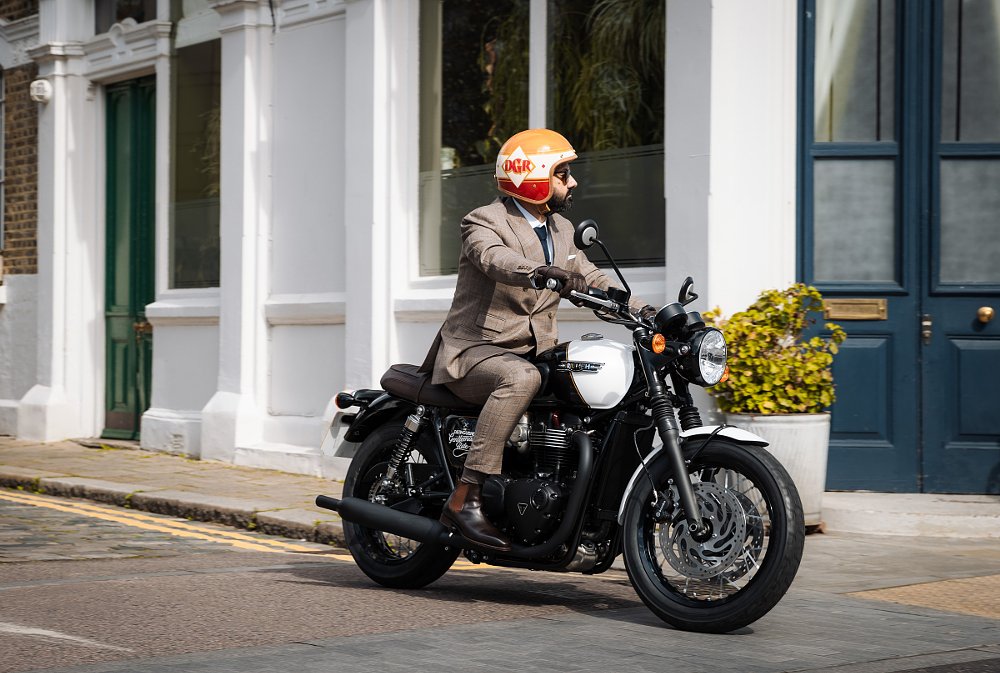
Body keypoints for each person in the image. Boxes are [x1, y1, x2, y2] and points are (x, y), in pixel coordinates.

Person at [420, 129, 655, 551]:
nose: (573, 182)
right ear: (534, 178)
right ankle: (466, 495)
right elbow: (493, 258)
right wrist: (538, 271)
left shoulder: (561, 229)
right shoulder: (483, 221)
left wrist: (645, 310)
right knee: (521, 379)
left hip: (535, 351)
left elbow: (592, 277)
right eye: (564, 174)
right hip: (474, 351)